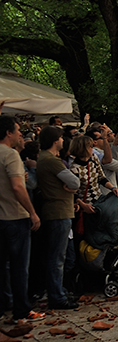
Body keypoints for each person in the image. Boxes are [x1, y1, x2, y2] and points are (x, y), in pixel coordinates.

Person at [0, 116, 43, 322]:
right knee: (19, 267)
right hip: (15, 216)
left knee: (3, 267)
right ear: (8, 133)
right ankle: (21, 311)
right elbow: (18, 187)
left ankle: (3, 308)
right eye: (17, 130)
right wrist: (32, 212)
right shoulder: (10, 155)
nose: (20, 134)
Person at [36, 126, 80, 310]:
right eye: (61, 138)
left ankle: (58, 290)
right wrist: (72, 188)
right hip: (59, 211)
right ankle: (57, 296)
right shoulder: (51, 161)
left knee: (60, 256)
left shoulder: (43, 159)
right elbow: (75, 181)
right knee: (58, 257)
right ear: (55, 141)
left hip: (58, 210)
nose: (63, 141)